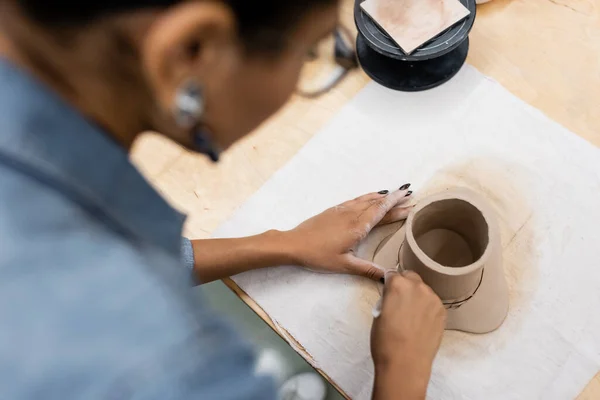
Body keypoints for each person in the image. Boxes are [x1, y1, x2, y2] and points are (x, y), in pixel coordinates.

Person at [0, 0, 446, 399]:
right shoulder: (165, 368)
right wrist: (400, 371)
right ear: (191, 52)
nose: (307, 71)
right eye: (309, 51)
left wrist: (280, 242)